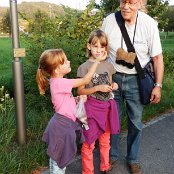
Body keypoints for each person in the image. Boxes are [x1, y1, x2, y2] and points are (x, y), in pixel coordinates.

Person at [101, 1, 164, 174]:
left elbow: (158, 58)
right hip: (112, 79)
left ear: (140, 3)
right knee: (111, 120)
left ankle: (133, 159)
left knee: (135, 123)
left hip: (138, 80)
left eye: (131, 2)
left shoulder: (149, 23)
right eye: (123, 1)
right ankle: (110, 157)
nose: (126, 6)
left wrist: (157, 85)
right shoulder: (109, 21)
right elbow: (100, 51)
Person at [36, 48, 105, 174]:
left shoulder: (58, 83)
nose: (69, 62)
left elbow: (64, 102)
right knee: (58, 163)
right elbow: (85, 81)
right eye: (65, 61)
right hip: (61, 128)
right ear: (57, 69)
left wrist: (76, 99)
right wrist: (96, 62)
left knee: (60, 163)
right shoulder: (59, 82)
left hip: (64, 126)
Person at [77, 29, 120, 174]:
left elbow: (111, 83)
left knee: (105, 141)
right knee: (89, 143)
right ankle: (87, 171)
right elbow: (80, 91)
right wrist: (96, 88)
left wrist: (114, 86)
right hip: (91, 110)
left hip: (107, 109)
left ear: (106, 48)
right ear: (89, 46)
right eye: (95, 46)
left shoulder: (108, 66)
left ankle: (105, 166)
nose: (99, 50)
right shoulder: (84, 67)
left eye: (102, 47)